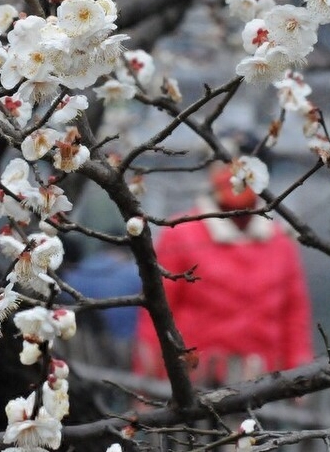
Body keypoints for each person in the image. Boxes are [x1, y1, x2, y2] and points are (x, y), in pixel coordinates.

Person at [133, 160, 314, 386]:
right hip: (196, 377)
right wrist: (148, 374)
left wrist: (298, 369)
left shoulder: (280, 243)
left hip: (265, 379)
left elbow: (294, 314)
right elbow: (158, 308)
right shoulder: (181, 236)